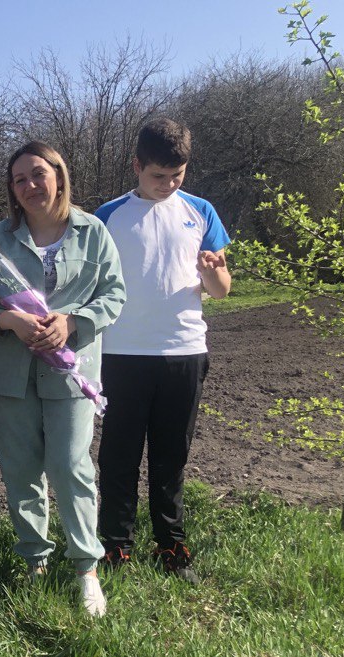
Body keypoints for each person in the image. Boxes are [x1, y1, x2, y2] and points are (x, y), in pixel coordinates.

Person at [0, 141, 126, 617]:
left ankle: (86, 569)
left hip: (71, 375)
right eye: (19, 179)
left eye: (38, 174)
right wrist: (9, 322)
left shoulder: (93, 232)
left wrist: (73, 321)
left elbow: (114, 295)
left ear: (58, 175)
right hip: (10, 377)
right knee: (20, 472)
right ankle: (33, 560)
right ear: (12, 190)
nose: (30, 185)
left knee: (69, 466)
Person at [96, 119, 231, 584]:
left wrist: (211, 270)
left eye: (178, 175)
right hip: (121, 355)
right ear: (136, 165)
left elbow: (222, 288)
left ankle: (171, 546)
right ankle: (115, 547)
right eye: (159, 176)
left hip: (185, 352)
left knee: (171, 458)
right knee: (118, 457)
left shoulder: (201, 211)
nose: (169, 184)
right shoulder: (107, 216)